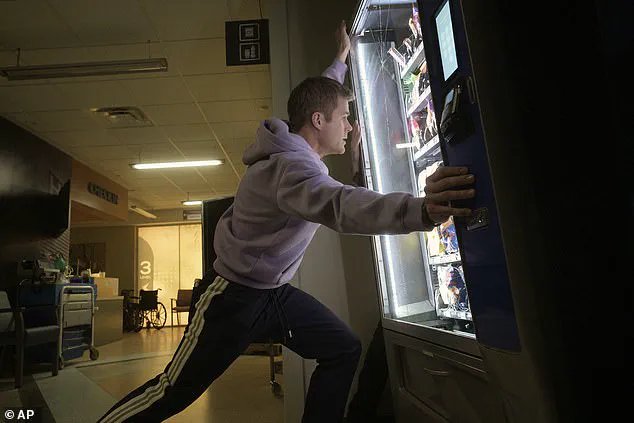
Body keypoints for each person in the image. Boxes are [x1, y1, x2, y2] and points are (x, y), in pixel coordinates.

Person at [98, 21, 475, 423]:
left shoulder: (294, 144)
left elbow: (322, 96)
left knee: (343, 347)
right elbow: (341, 205)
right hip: (232, 298)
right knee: (173, 390)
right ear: (318, 121)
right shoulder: (293, 169)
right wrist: (421, 210)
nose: (350, 126)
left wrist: (341, 60)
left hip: (272, 294)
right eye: (345, 117)